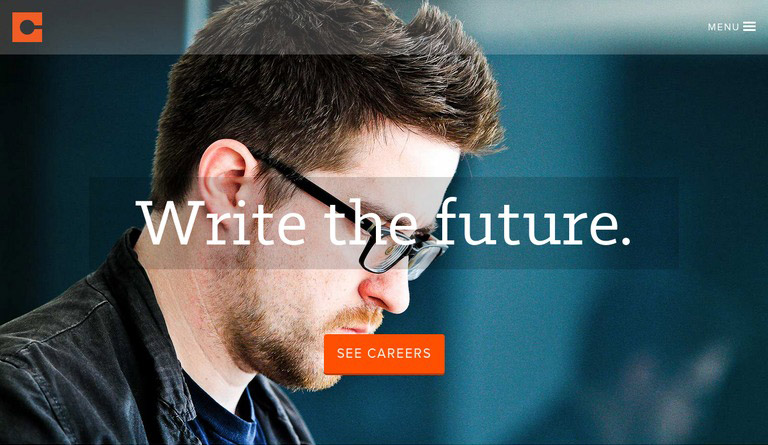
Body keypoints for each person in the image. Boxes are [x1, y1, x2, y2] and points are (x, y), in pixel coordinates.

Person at [0, 0, 503, 443]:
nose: (395, 296)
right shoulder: (32, 410)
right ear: (231, 185)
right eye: (376, 230)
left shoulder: (278, 426)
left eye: (410, 246)